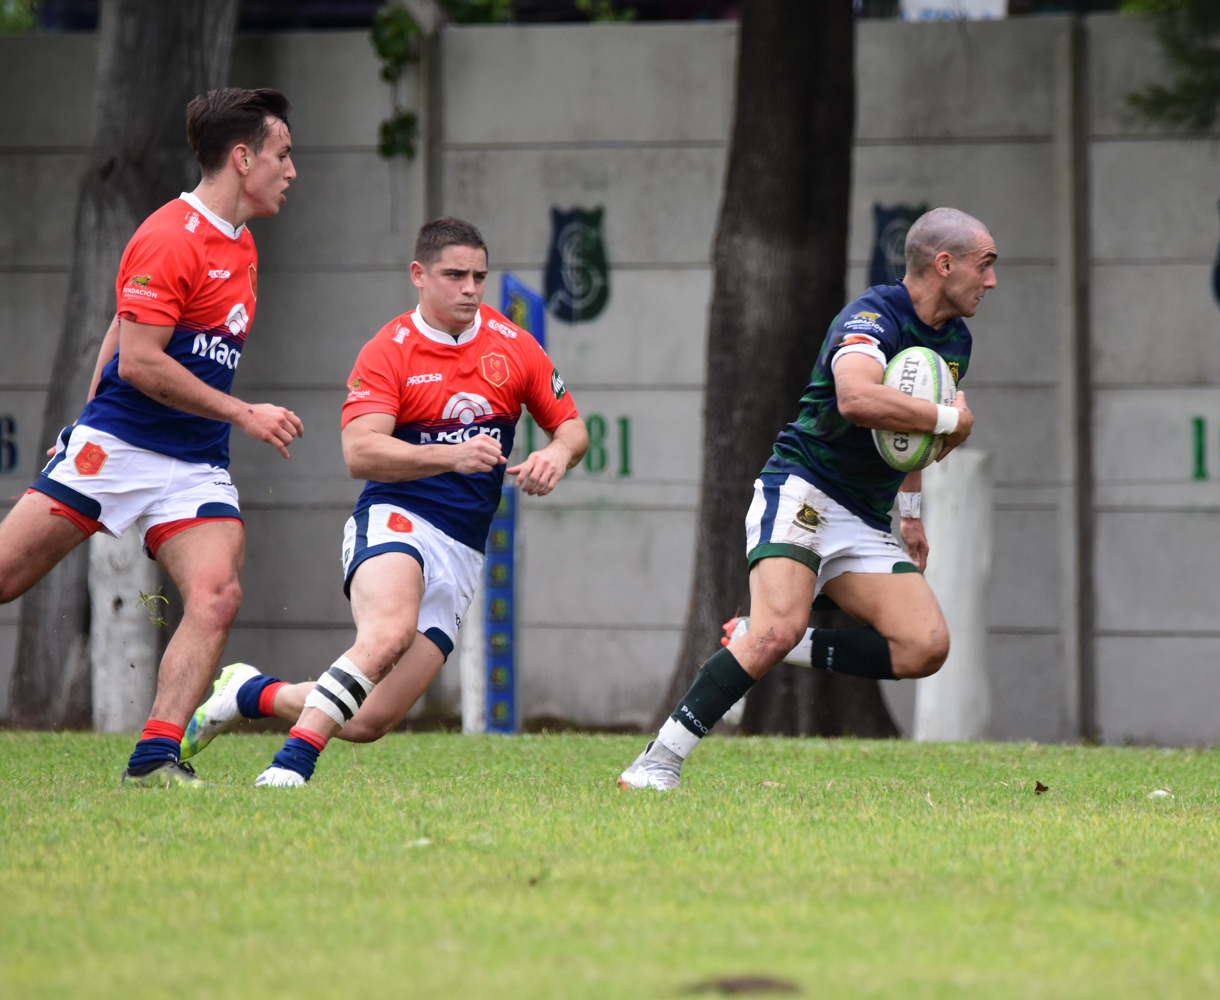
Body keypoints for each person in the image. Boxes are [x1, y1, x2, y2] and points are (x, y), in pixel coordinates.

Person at [177, 217, 587, 785]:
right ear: (418, 274)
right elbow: (360, 452)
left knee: (368, 720)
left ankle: (248, 692)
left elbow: (571, 427)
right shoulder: (388, 350)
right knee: (388, 633)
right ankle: (290, 766)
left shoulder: (514, 347)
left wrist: (557, 455)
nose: (470, 289)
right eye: (454, 275)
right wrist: (451, 456)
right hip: (397, 521)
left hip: (462, 549)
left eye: (478, 277)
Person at [618, 207, 994, 791]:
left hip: (864, 516)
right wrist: (951, 420)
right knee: (774, 631)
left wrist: (911, 513)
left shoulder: (955, 340)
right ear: (944, 264)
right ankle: (655, 762)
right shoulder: (872, 316)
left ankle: (781, 639)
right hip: (803, 491)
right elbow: (856, 399)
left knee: (925, 646)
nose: (991, 280)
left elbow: (909, 440)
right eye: (984, 264)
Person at [0, 89, 301, 785]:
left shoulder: (243, 244)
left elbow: (122, 321)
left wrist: (87, 408)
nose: (291, 170)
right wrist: (241, 413)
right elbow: (138, 359)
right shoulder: (169, 235)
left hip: (193, 462)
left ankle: (155, 756)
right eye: (282, 156)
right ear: (243, 158)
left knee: (217, 595)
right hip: (119, 448)